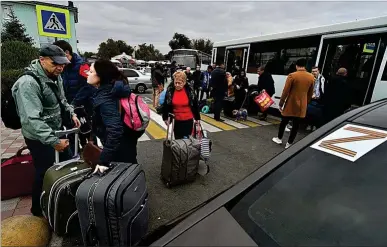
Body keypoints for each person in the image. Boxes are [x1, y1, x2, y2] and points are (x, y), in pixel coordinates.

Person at [11, 44, 81, 216]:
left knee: (65, 166)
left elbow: (62, 100)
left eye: (63, 64)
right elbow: (31, 120)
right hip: (39, 137)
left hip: (55, 130)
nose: (60, 67)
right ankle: (38, 211)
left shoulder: (55, 76)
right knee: (45, 172)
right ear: (42, 60)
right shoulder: (27, 83)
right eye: (55, 63)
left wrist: (72, 114)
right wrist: (53, 141)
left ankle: (61, 203)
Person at [87, 59, 144, 167]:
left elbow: (115, 131)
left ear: (101, 76)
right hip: (127, 142)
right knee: (130, 171)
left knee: (124, 178)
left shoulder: (107, 98)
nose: (87, 74)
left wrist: (103, 161)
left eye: (91, 71)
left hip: (118, 149)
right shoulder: (114, 89)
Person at [53, 40, 95, 149]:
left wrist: (75, 102)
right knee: (72, 134)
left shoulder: (82, 65)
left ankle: (92, 153)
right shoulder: (63, 67)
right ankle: (76, 155)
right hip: (69, 107)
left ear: (67, 53)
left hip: (84, 107)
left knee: (88, 133)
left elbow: (88, 87)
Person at [272, 58, 314, 149]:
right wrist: (306, 102)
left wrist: (281, 103)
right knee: (296, 125)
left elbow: (285, 91)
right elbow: (310, 93)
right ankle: (289, 143)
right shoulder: (311, 77)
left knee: (284, 122)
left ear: (296, 66)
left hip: (291, 103)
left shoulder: (292, 75)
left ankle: (279, 138)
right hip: (302, 104)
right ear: (305, 65)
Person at [162, 70, 201, 139]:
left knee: (187, 141)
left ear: (184, 82)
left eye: (179, 83)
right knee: (178, 140)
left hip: (188, 119)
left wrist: (197, 118)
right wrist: (165, 118)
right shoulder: (170, 90)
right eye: (175, 82)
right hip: (176, 120)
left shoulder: (189, 90)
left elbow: (195, 104)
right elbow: (166, 105)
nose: (177, 85)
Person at [306, 66, 326, 131]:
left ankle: (314, 125)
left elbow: (323, 90)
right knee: (309, 112)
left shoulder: (322, 79)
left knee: (316, 113)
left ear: (318, 71)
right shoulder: (310, 78)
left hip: (318, 99)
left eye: (315, 71)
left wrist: (319, 96)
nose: (314, 72)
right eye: (313, 71)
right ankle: (309, 124)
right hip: (310, 98)